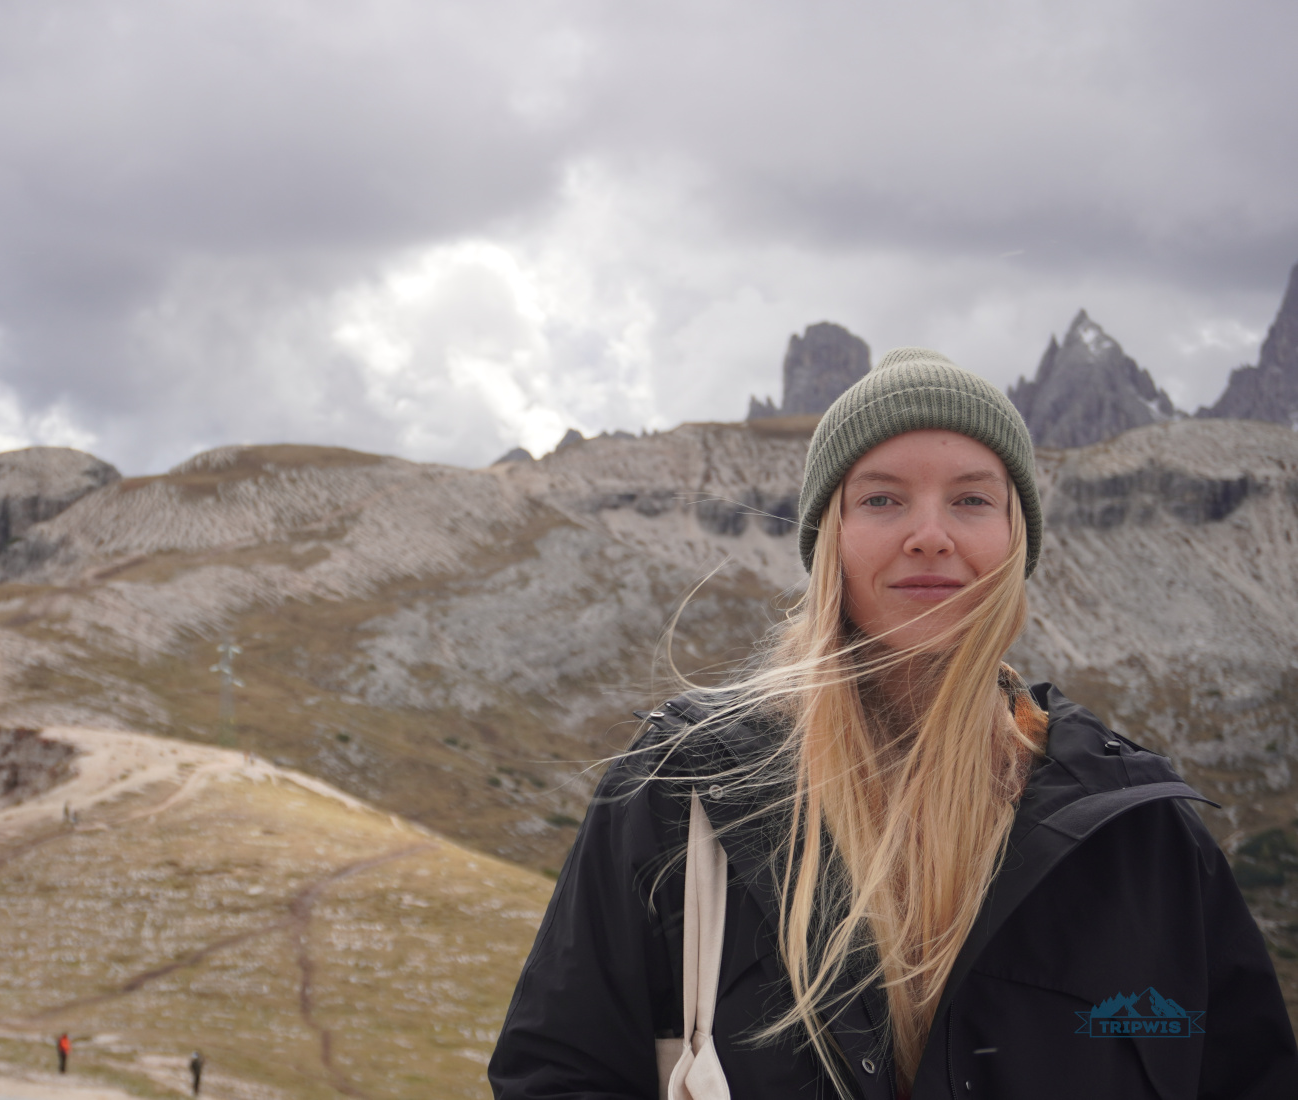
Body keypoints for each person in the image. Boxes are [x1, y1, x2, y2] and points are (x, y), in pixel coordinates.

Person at [490, 349, 1298, 1099]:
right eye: (881, 498)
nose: (930, 535)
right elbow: (559, 1073)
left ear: (1016, 542)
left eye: (972, 499)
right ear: (828, 542)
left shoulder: (1144, 836)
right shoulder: (681, 790)